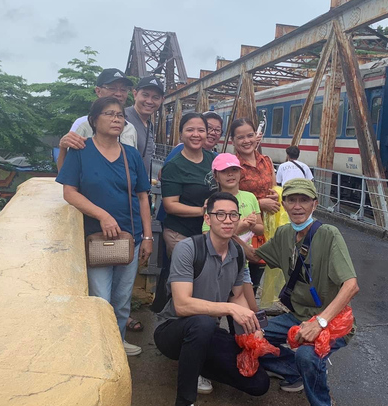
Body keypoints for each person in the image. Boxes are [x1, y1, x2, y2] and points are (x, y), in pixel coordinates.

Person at [238, 178, 359, 406]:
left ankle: (321, 402)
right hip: (297, 315)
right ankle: (295, 374)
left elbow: (351, 285)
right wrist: (229, 235)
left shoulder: (329, 234)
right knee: (247, 335)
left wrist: (320, 322)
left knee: (307, 355)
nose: (297, 206)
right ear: (283, 204)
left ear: (315, 204)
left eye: (304, 200)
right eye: (291, 200)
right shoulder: (284, 234)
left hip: (333, 319)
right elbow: (255, 256)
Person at [56, 96, 153, 357]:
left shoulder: (130, 155)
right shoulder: (81, 151)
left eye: (120, 115)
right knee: (100, 298)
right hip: (96, 238)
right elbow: (69, 192)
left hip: (128, 238)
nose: (116, 119)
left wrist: (147, 236)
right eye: (109, 114)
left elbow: (143, 196)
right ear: (94, 120)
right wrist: (102, 215)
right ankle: (99, 349)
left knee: (122, 301)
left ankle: (117, 344)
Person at [154, 192, 270, 406]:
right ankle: (185, 400)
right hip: (172, 330)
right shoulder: (188, 248)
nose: (228, 220)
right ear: (208, 218)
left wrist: (252, 330)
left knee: (259, 384)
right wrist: (228, 308)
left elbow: (237, 298)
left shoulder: (237, 251)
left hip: (207, 333)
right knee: (202, 323)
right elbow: (181, 305)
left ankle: (197, 363)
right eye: (220, 214)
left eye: (233, 215)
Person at [202, 153, 263, 313]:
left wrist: (252, 224)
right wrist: (241, 226)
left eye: (235, 170)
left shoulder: (250, 197)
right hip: (217, 265)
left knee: (251, 310)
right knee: (214, 310)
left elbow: (261, 228)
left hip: (242, 264)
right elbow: (206, 234)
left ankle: (245, 338)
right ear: (215, 175)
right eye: (224, 171)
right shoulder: (213, 202)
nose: (230, 174)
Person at [229, 117, 280, 289]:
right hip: (243, 227)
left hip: (264, 227)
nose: (246, 141)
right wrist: (261, 203)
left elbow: (273, 187)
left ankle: (248, 313)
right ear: (233, 141)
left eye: (250, 135)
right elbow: (227, 197)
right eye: (240, 137)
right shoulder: (232, 165)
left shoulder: (266, 161)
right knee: (237, 279)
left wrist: (274, 197)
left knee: (255, 279)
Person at [57, 68, 137, 171]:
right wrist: (63, 148)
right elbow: (65, 172)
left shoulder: (130, 129)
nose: (118, 94)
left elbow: (134, 168)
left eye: (123, 89)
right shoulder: (83, 125)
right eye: (112, 88)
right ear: (98, 91)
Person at [160, 113, 216, 257]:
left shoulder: (214, 160)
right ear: (181, 135)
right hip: (181, 234)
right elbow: (170, 205)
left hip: (210, 232)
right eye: (190, 130)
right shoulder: (174, 166)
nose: (196, 134)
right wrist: (203, 211)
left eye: (201, 130)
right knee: (184, 277)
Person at [125, 76, 164, 176]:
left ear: (162, 100)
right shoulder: (123, 118)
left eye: (156, 97)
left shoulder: (149, 125)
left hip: (139, 187)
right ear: (135, 94)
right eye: (145, 95)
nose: (149, 101)